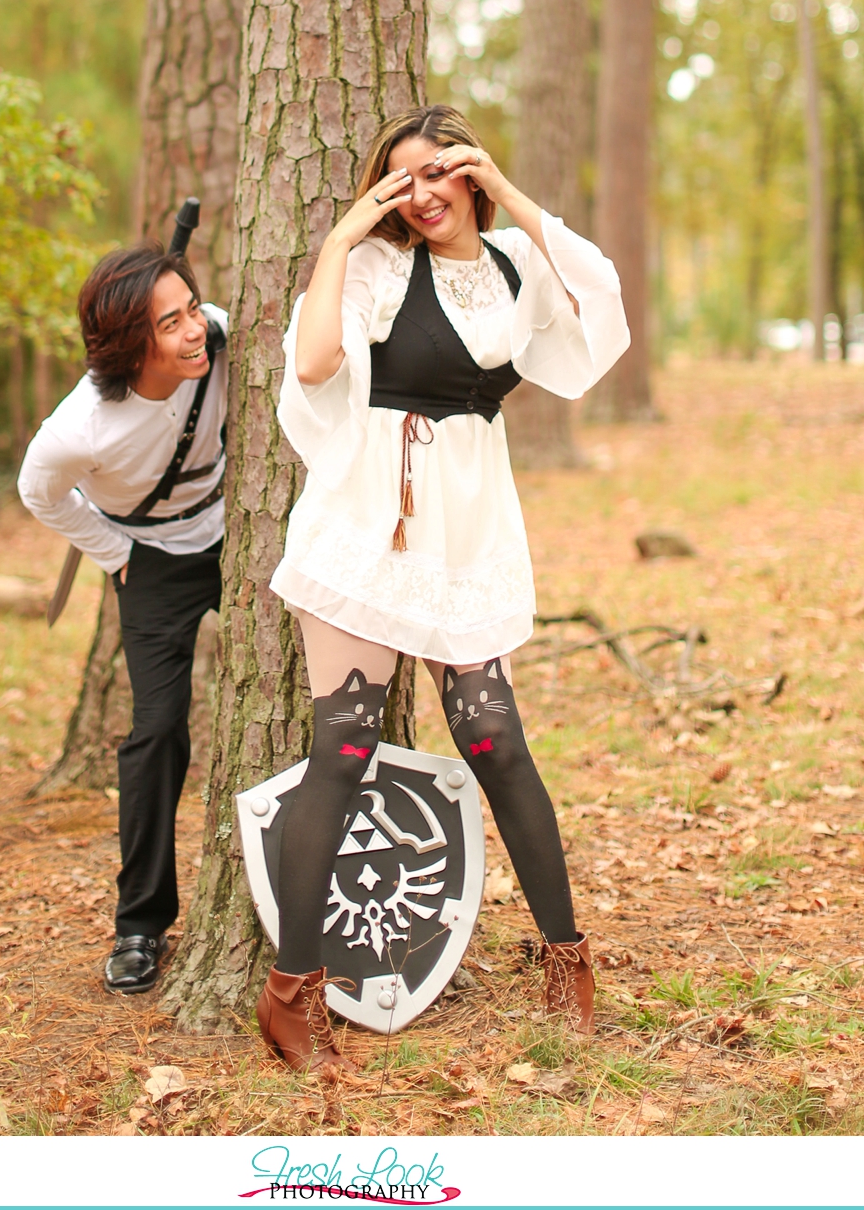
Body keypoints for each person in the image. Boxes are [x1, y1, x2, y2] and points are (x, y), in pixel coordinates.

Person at [254, 104, 630, 1075]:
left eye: (439, 175)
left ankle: (568, 960)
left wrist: (510, 192)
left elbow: (601, 300)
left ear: (467, 176)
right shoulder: (375, 268)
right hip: (365, 526)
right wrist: (344, 231)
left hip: (464, 532)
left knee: (494, 737)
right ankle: (293, 994)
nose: (420, 195)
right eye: (401, 179)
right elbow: (313, 362)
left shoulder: (513, 267)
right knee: (341, 750)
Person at [18, 242, 227, 995]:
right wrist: (114, 553)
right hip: (154, 566)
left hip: (241, 534)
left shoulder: (225, 340)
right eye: (170, 323)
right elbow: (38, 492)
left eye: (191, 307)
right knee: (158, 731)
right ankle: (140, 923)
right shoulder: (81, 428)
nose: (193, 329)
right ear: (130, 344)